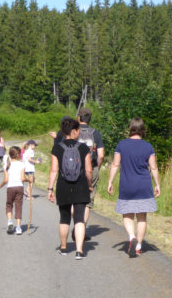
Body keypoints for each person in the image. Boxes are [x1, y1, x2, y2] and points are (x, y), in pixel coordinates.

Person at [107, 117, 161, 258]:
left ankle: (131, 237)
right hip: (143, 185)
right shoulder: (148, 146)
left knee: (127, 214)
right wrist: (157, 184)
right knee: (142, 216)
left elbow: (115, 164)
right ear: (142, 130)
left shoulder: (122, 145)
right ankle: (138, 246)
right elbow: (153, 167)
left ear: (130, 128)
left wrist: (110, 181)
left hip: (127, 185)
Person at [48, 117, 93, 260]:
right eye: (78, 130)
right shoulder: (83, 147)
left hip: (63, 186)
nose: (79, 132)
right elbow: (89, 170)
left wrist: (50, 189)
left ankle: (63, 247)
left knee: (64, 218)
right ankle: (79, 251)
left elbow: (54, 170)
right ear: (74, 131)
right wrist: (90, 184)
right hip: (80, 186)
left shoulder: (57, 147)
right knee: (79, 219)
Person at [75, 107, 104, 242]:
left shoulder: (73, 131)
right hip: (91, 168)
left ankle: (76, 225)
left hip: (74, 169)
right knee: (88, 201)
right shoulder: (95, 133)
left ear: (79, 118)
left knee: (74, 198)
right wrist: (97, 166)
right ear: (89, 119)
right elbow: (101, 155)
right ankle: (82, 228)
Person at [0, 146, 29, 235]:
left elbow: (6, 180)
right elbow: (23, 178)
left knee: (9, 204)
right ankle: (18, 228)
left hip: (10, 187)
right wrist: (29, 180)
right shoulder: (22, 164)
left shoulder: (7, 165)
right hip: (19, 187)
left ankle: (10, 222)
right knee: (18, 206)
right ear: (19, 155)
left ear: (9, 155)